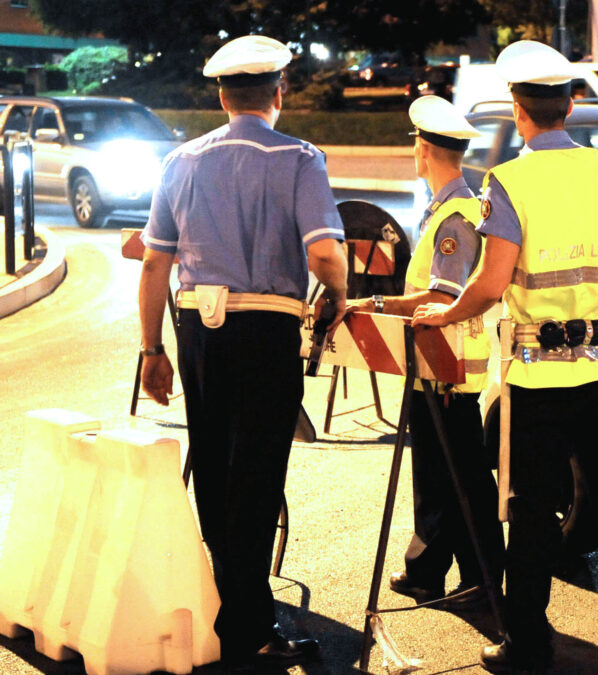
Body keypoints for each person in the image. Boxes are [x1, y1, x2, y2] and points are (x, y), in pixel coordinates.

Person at [412, 40, 598, 672]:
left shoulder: (511, 182)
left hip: (541, 379)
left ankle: (526, 641)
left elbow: (492, 283)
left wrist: (445, 314)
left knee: (533, 509)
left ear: (519, 114)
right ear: (572, 107)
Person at [137, 34, 348, 668]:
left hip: (196, 328)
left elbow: (153, 264)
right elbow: (324, 253)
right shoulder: (299, 159)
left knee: (217, 472)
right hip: (266, 331)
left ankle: (229, 607)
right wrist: (335, 294)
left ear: (222, 96)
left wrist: (152, 349)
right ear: (279, 93)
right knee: (256, 477)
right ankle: (251, 629)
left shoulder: (181, 161)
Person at [351, 95, 503, 610]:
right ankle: (436, 570)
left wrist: (375, 302)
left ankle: (481, 577)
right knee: (444, 477)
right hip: (439, 365)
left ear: (423, 150)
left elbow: (443, 297)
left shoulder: (455, 216)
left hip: (448, 367)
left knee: (459, 480)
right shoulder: (448, 207)